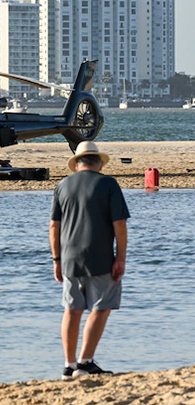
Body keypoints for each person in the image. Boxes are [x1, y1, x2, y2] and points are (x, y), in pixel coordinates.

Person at [49, 141, 130, 380]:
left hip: (70, 257)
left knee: (72, 310)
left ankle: (68, 365)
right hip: (100, 255)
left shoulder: (62, 185)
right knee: (101, 306)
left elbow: (54, 226)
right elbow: (120, 224)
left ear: (77, 164)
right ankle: (86, 361)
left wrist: (56, 259)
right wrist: (121, 258)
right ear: (99, 163)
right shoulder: (108, 184)